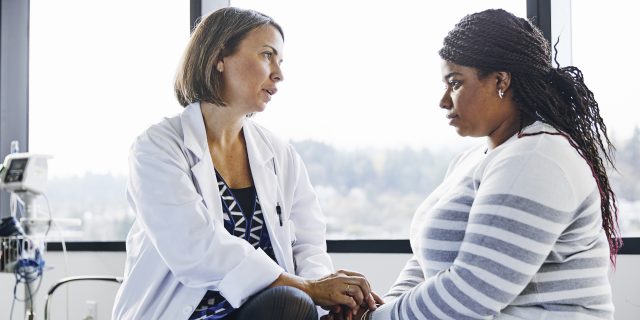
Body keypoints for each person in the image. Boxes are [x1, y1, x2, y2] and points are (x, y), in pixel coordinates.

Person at [330, 8, 621, 320]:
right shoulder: (473, 160)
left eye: (455, 83)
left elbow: (470, 292)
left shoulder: (537, 159)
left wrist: (372, 319)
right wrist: (379, 309)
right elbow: (424, 265)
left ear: (500, 81)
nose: (443, 100)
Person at [112, 7, 379, 320]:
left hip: (262, 311)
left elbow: (308, 243)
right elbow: (194, 249)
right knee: (291, 302)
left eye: (280, 61)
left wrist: (328, 293)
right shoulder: (158, 147)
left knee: (295, 304)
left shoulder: (280, 154)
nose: (278, 73)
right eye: (267, 55)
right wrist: (308, 288)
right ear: (219, 57)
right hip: (182, 313)